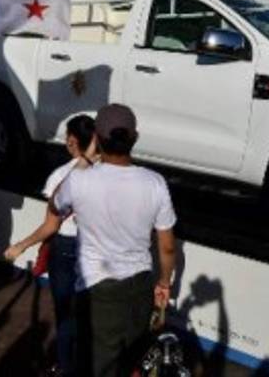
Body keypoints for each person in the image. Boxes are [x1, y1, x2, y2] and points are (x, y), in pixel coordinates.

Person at [53, 104, 177, 377]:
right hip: (140, 288)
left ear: (97, 137)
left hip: (98, 291)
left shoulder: (80, 181)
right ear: (135, 138)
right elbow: (167, 246)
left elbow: (55, 204)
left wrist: (86, 156)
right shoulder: (155, 183)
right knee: (129, 360)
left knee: (96, 366)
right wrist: (164, 283)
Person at [4, 117, 98, 375]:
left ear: (72, 141)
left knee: (66, 315)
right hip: (98, 249)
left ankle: (67, 368)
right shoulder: (112, 171)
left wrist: (21, 246)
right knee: (90, 315)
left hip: (67, 248)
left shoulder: (61, 176)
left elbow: (51, 225)